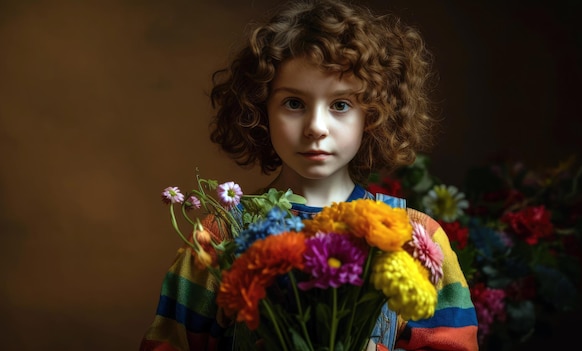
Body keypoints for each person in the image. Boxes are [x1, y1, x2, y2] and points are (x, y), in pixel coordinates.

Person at [140, 0, 479, 350]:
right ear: (260, 109)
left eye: (341, 105)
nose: (316, 127)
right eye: (294, 103)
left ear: (374, 116)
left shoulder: (418, 238)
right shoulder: (218, 238)